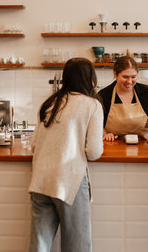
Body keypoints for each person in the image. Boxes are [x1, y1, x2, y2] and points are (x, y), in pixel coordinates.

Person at [28, 58, 104, 252]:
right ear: (90, 78)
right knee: (76, 245)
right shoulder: (92, 105)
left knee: (39, 244)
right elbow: (94, 152)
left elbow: (34, 144)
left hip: (41, 180)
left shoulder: (50, 102)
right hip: (70, 181)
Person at [98, 56, 148, 141]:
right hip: (114, 146)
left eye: (133, 77)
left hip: (144, 147)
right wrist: (106, 134)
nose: (129, 81)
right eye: (125, 77)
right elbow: (97, 123)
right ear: (115, 74)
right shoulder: (104, 95)